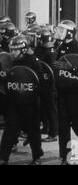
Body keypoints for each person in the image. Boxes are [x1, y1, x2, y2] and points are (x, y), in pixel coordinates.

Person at [53, 20, 78, 165]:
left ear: (70, 32)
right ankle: (65, 157)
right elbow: (57, 70)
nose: (58, 32)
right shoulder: (60, 47)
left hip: (77, 93)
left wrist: (72, 69)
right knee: (63, 127)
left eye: (62, 30)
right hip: (63, 93)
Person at [0, 35, 44, 165]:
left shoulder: (34, 62)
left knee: (33, 131)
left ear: (23, 50)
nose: (12, 52)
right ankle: (3, 157)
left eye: (15, 50)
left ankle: (37, 157)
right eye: (11, 49)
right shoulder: (11, 62)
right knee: (10, 130)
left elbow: (40, 82)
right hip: (14, 102)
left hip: (30, 103)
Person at [34, 27, 58, 143]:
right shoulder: (40, 49)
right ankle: (46, 127)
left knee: (51, 109)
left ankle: (53, 132)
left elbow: (52, 71)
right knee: (43, 108)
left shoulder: (51, 52)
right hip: (41, 84)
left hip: (49, 86)